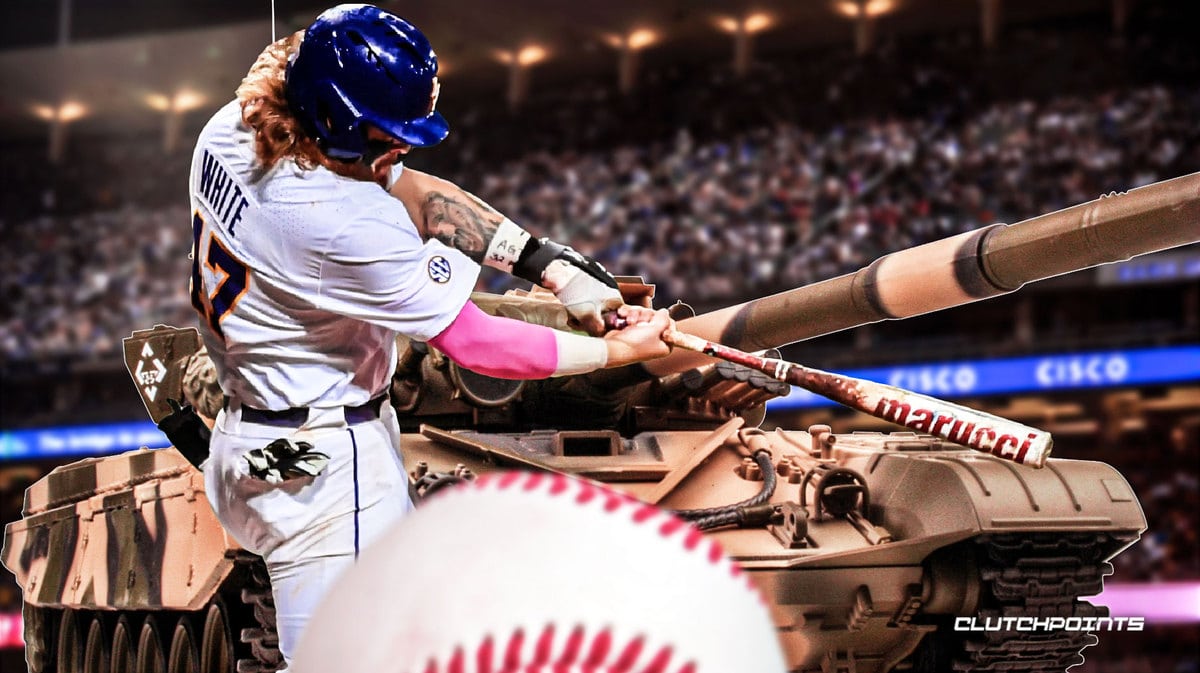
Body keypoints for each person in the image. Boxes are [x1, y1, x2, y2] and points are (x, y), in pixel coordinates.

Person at [188, 4, 673, 669]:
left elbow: (411, 189)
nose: (403, 148)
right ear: (339, 123)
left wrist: (548, 264)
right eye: (389, 135)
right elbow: (478, 345)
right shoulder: (338, 221)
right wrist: (620, 351)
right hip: (327, 463)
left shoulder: (232, 129)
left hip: (255, 451)